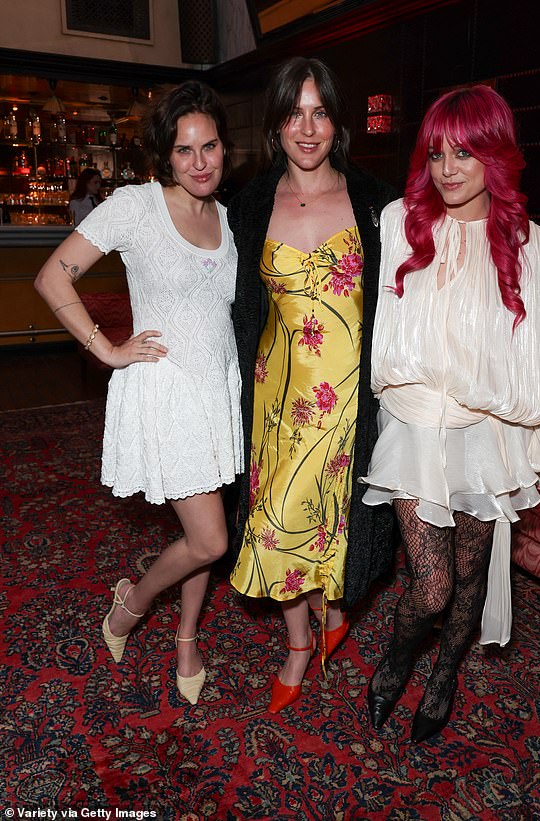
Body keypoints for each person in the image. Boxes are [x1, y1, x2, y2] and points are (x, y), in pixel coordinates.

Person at [360, 85, 540, 743]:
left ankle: (446, 672)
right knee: (428, 588)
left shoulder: (526, 241)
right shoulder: (401, 220)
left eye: (465, 151)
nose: (448, 168)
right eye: (436, 153)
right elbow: (382, 332)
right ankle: (397, 661)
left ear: (496, 156)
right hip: (413, 422)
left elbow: (530, 357)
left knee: (468, 578)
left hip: (486, 430)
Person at [34, 80, 242, 706]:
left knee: (207, 530)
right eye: (184, 151)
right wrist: (107, 348)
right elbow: (53, 276)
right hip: (168, 393)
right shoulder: (136, 206)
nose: (199, 162)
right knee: (210, 539)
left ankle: (185, 637)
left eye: (209, 146)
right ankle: (133, 602)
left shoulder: (229, 219)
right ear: (165, 155)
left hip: (218, 391)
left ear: (225, 149)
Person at [229, 57, 396, 713]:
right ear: (276, 124)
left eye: (319, 111)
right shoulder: (247, 206)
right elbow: (232, 304)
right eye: (294, 112)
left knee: (334, 524)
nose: (307, 127)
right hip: (277, 395)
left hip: (350, 399)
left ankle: (330, 616)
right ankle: (299, 640)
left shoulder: (377, 204)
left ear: (337, 121)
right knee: (274, 525)